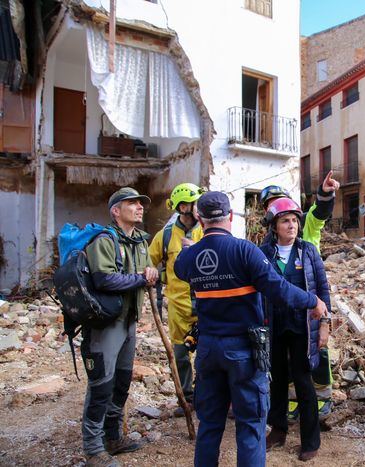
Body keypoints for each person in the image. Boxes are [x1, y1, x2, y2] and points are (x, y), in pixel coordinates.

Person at [174, 191, 328, 467]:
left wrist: (193, 250)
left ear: (199, 219)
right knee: (251, 426)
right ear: (230, 217)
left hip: (208, 349)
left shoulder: (189, 257)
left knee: (209, 425)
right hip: (244, 349)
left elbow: (180, 269)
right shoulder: (246, 251)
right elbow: (279, 290)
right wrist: (312, 301)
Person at [81, 187, 158, 467]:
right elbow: (104, 280)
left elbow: (150, 274)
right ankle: (93, 449)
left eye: (141, 204)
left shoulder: (140, 241)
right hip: (105, 324)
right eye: (132, 203)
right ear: (116, 211)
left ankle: (113, 438)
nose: (139, 207)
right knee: (101, 384)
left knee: (122, 382)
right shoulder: (104, 240)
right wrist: (141, 278)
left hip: (129, 322)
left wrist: (152, 273)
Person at [259, 170, 339, 420]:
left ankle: (324, 397)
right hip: (282, 311)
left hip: (311, 302)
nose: (287, 220)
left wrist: (325, 193)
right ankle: (294, 402)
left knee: (318, 349)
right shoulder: (267, 243)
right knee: (287, 358)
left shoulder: (304, 228)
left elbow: (320, 212)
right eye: (271, 206)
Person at [260, 198, 331, 462]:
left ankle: (310, 440)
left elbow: (323, 290)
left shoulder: (308, 251)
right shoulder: (264, 253)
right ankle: (278, 431)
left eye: (294, 220)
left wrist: (325, 324)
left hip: (304, 327)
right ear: (274, 226)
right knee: (277, 380)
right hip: (274, 325)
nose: (292, 225)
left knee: (303, 382)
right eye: (285, 221)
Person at [148, 183, 204, 415]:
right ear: (183, 207)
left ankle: (205, 397)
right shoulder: (166, 236)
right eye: (195, 203)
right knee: (181, 355)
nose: (199, 208)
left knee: (206, 356)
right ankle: (187, 399)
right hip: (178, 308)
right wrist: (154, 274)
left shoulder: (207, 230)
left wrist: (197, 249)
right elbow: (149, 261)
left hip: (205, 305)